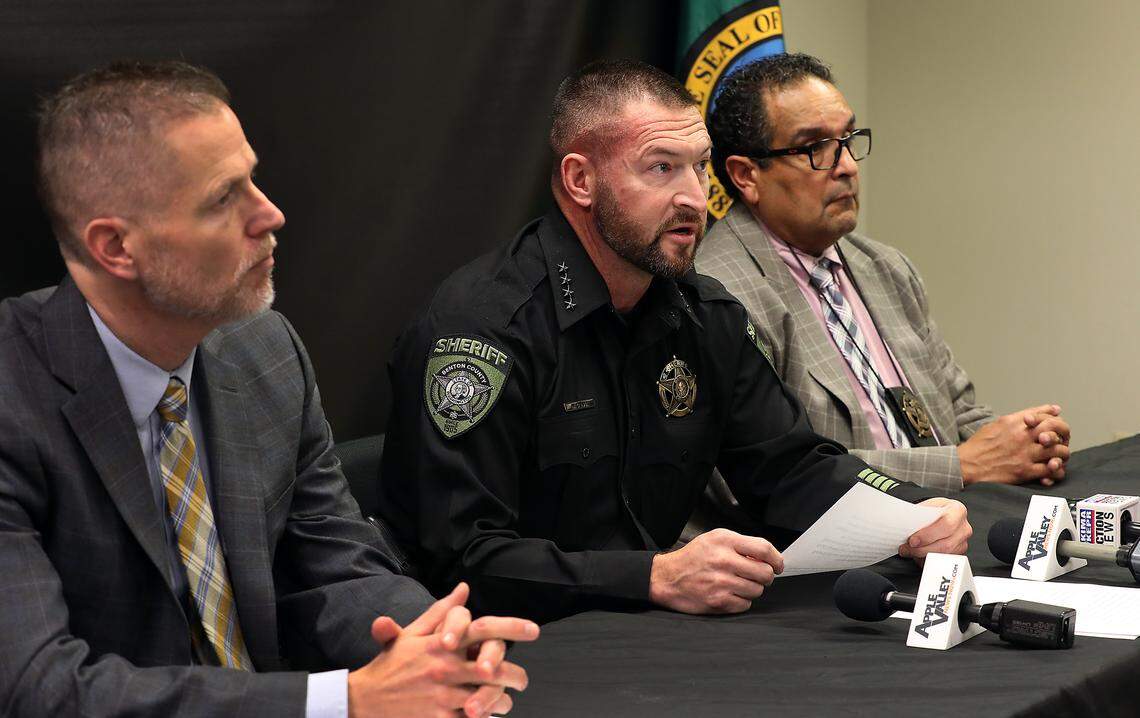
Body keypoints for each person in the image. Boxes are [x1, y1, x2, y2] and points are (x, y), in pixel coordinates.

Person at [0, 60, 537, 718]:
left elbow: (333, 564)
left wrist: (429, 641)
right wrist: (345, 700)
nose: (270, 214)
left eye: (251, 178)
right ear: (116, 247)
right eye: (224, 198)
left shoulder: (263, 347)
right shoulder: (12, 399)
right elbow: (40, 688)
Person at [377, 59, 971, 626]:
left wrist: (909, 511)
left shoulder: (701, 312)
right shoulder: (482, 330)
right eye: (661, 168)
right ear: (581, 180)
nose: (694, 196)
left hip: (655, 635)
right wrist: (653, 578)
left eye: (701, 167)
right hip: (515, 649)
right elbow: (463, 561)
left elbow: (788, 468)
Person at [699, 52, 1070, 495]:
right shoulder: (718, 295)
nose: (848, 166)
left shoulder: (884, 266)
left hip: (951, 522)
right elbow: (779, 473)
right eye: (816, 147)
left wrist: (1024, 442)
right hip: (831, 550)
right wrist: (960, 465)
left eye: (848, 139)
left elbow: (957, 409)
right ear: (746, 176)